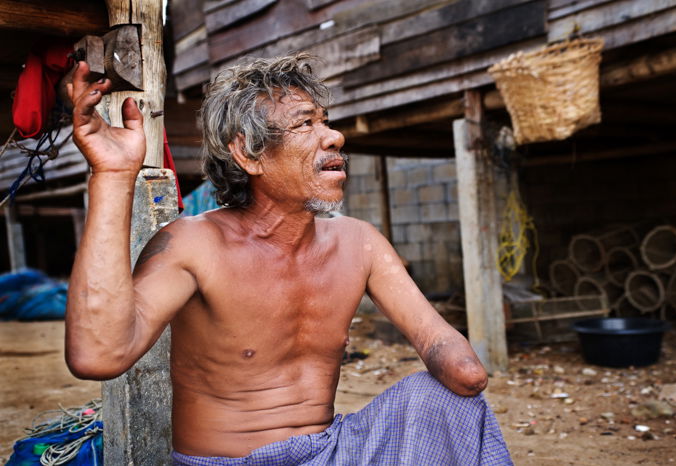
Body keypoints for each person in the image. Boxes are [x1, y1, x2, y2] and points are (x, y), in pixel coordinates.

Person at [65, 53, 512, 465]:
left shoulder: (359, 242)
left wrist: (456, 385)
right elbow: (99, 356)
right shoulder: (193, 244)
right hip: (232, 461)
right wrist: (113, 176)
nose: (334, 136)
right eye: (305, 125)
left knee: (441, 400)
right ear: (248, 154)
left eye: (326, 121)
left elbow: (462, 371)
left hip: (331, 451)